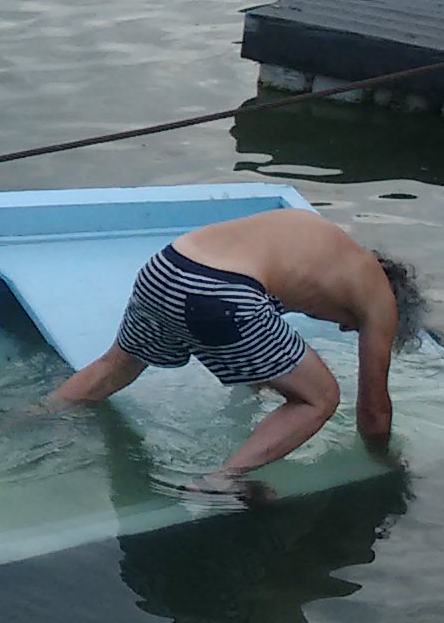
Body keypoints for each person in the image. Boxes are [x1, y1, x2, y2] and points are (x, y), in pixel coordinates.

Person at [46, 206, 417, 494]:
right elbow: (373, 410)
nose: (342, 327)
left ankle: (31, 416)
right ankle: (221, 481)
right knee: (319, 398)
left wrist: (260, 392)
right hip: (218, 290)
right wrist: (384, 462)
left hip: (165, 266)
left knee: (116, 365)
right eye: (349, 326)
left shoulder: (321, 253)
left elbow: (258, 343)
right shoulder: (380, 299)